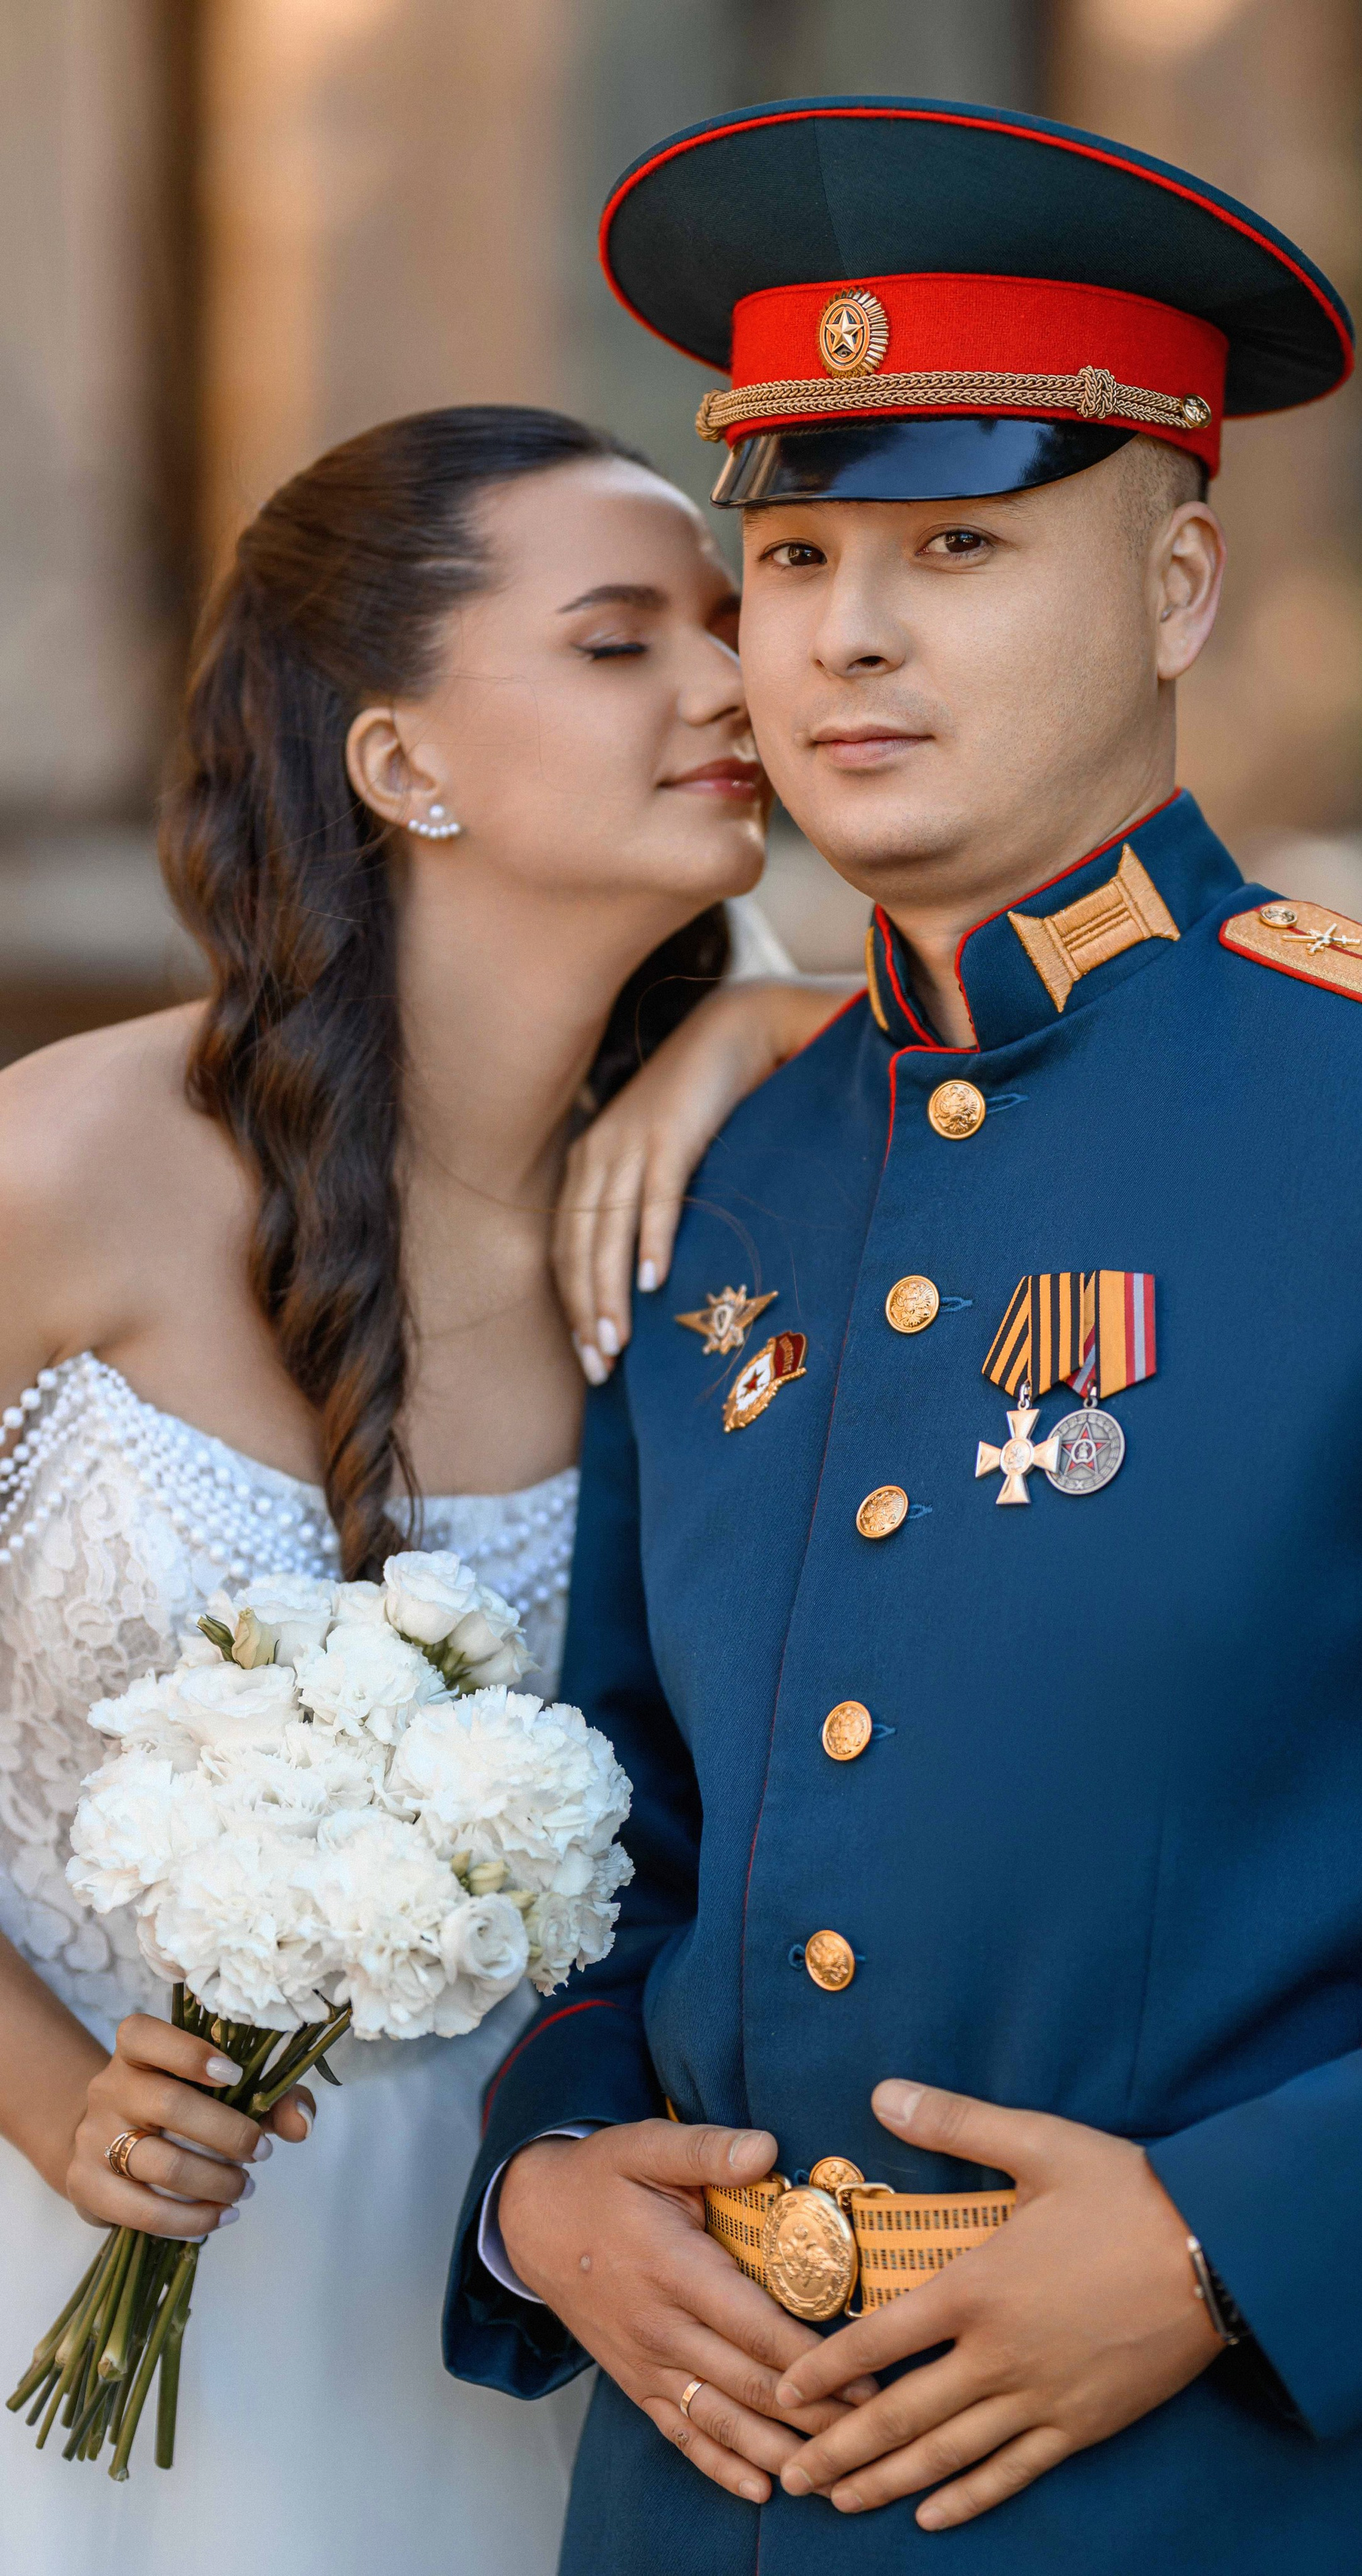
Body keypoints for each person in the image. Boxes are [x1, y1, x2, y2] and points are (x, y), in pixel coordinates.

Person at [448, 99, 1362, 2575]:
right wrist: (553, 2179)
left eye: (959, 547)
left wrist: (1229, 2247)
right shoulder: (723, 1153)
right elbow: (615, 1824)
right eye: (791, 553)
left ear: (1177, 590)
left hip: (1254, 2497)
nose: (846, 635)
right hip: (708, 2497)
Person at [0, 402, 843, 2573]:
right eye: (616, 642)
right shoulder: (66, 1170)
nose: (732, 683)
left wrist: (776, 1026)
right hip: (70, 2248)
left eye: (726, 626)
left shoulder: (736, 1217)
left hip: (519, 2299)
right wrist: (46, 2096)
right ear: (401, 764)